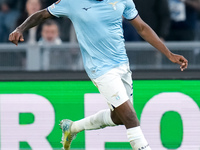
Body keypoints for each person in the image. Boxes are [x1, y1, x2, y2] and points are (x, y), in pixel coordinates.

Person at [9, 0, 188, 150]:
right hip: (99, 69)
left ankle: (72, 127)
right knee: (130, 118)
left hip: (122, 65)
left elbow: (141, 27)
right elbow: (42, 14)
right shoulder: (72, 2)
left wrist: (169, 54)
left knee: (118, 117)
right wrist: (20, 28)